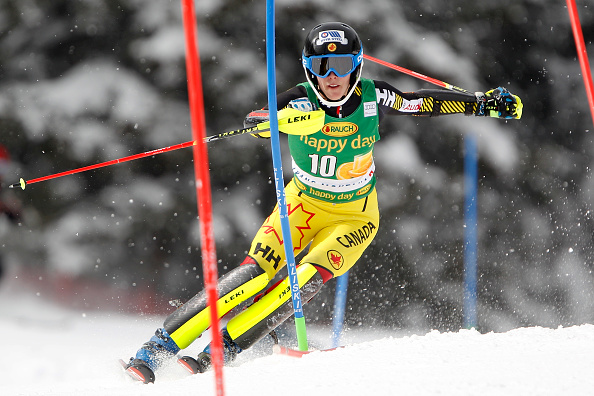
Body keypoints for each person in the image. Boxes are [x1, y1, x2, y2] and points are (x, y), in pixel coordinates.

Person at [123, 22, 522, 383]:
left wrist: (481, 102)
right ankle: (155, 350)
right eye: (322, 66)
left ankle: (222, 349)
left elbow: (418, 102)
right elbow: (259, 120)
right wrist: (269, 121)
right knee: (252, 276)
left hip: (354, 216)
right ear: (309, 67)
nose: (333, 77)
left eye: (343, 65)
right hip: (301, 203)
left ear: (357, 65)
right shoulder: (298, 100)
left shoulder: (372, 94)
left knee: (301, 283)